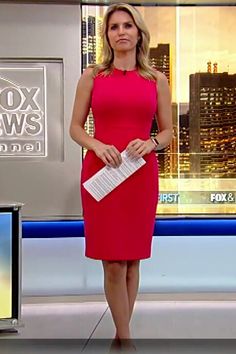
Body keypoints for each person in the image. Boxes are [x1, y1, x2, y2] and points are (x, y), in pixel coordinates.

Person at [70, 2, 172, 350]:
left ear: (139, 32)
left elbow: (168, 133)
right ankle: (126, 340)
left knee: (132, 261)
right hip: (102, 174)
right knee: (112, 262)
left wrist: (151, 142)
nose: (122, 32)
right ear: (107, 36)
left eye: (128, 25)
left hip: (139, 177)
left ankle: (120, 335)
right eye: (114, 27)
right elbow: (75, 128)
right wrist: (96, 146)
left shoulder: (156, 80)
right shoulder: (92, 76)